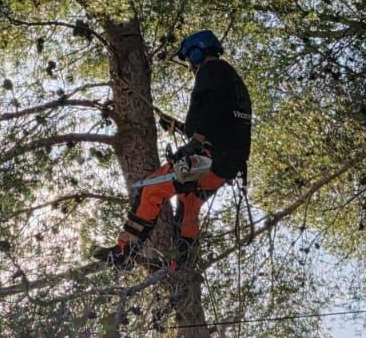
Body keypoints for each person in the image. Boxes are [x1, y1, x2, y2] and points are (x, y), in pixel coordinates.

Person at [93, 30, 251, 268]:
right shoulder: (231, 81)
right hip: (224, 166)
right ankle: (183, 264)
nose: (190, 66)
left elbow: (210, 113)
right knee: (188, 203)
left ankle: (124, 251)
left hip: (209, 158)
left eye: (189, 59)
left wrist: (194, 143)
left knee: (152, 188)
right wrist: (178, 127)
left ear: (197, 52)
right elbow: (218, 120)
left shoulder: (211, 71)